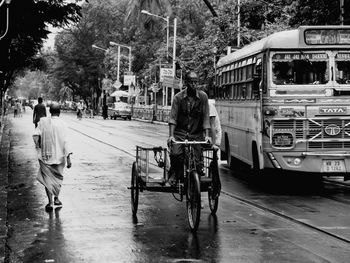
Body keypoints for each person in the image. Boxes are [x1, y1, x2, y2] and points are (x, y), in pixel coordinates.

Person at [168, 71, 210, 184]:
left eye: (196, 82)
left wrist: (207, 136)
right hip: (180, 134)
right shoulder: (178, 98)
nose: (194, 85)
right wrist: (171, 136)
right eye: (191, 82)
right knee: (176, 154)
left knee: (197, 161)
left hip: (196, 134)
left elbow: (206, 118)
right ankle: (175, 172)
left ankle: (196, 176)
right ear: (186, 83)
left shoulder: (203, 97)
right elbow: (173, 118)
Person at [34, 102, 72, 211]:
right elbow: (66, 142)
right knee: (57, 178)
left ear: (50, 111)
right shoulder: (63, 124)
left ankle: (50, 203)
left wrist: (39, 146)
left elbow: (36, 135)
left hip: (46, 156)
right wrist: (68, 158)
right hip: (60, 157)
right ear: (59, 112)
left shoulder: (43, 122)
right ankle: (56, 198)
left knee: (47, 180)